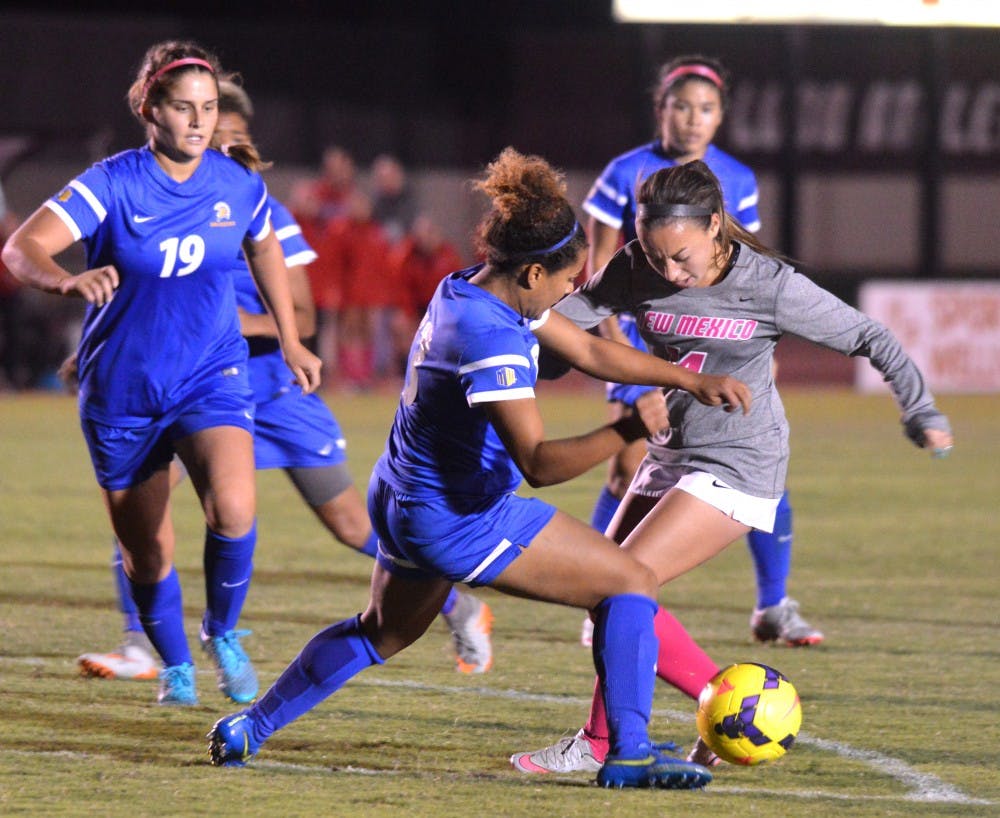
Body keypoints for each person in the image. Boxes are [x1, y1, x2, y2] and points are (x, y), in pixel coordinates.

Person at [206, 147, 753, 789]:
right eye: (565, 282)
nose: (572, 293)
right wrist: (627, 428)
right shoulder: (489, 339)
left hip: (404, 495)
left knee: (380, 633)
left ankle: (252, 725)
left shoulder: (470, 287)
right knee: (629, 582)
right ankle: (627, 751)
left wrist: (684, 377)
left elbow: (582, 348)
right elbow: (541, 464)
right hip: (458, 515)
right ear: (530, 274)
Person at [510, 160, 953, 774]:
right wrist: (497, 320)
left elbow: (870, 336)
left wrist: (919, 408)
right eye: (656, 255)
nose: (669, 272)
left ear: (717, 226)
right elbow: (573, 323)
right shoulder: (637, 265)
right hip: (671, 450)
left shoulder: (768, 285)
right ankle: (713, 704)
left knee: (621, 584)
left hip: (741, 461)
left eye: (682, 256)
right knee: (608, 595)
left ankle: (625, 734)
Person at [74, 80, 494, 683]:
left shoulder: (260, 210)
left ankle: (459, 604)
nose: (208, 144)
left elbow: (301, 318)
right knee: (142, 513)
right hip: (185, 388)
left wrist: (220, 325)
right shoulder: (151, 199)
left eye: (225, 134)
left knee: (351, 523)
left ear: (243, 141)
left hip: (270, 390)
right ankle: (147, 645)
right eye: (200, 129)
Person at [1, 41, 322, 706]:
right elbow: (21, 246)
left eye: (207, 108)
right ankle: (175, 665)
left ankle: (221, 633)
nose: (200, 121)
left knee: (233, 507)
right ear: (150, 110)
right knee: (146, 551)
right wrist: (67, 283)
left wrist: (290, 338)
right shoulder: (112, 183)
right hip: (123, 388)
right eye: (184, 108)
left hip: (210, 373)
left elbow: (263, 245)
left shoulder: (236, 183)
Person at [581, 54, 822, 647]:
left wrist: (761, 342)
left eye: (706, 109)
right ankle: (596, 595)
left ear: (721, 116)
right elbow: (598, 267)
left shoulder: (736, 178)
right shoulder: (627, 170)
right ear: (661, 109)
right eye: (681, 106)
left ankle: (774, 605)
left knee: (753, 464)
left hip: (718, 345)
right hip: (641, 342)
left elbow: (750, 259)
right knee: (627, 471)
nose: (693, 119)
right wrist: (612, 348)